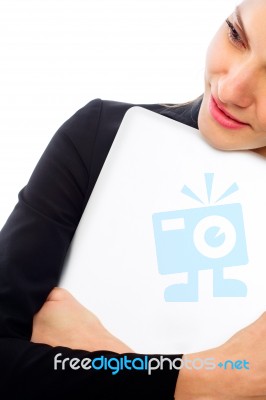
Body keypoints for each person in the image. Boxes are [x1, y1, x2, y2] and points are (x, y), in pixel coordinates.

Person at [1, 0, 266, 398]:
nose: (231, 90)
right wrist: (207, 381)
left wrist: (112, 359)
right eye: (235, 35)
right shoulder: (98, 139)